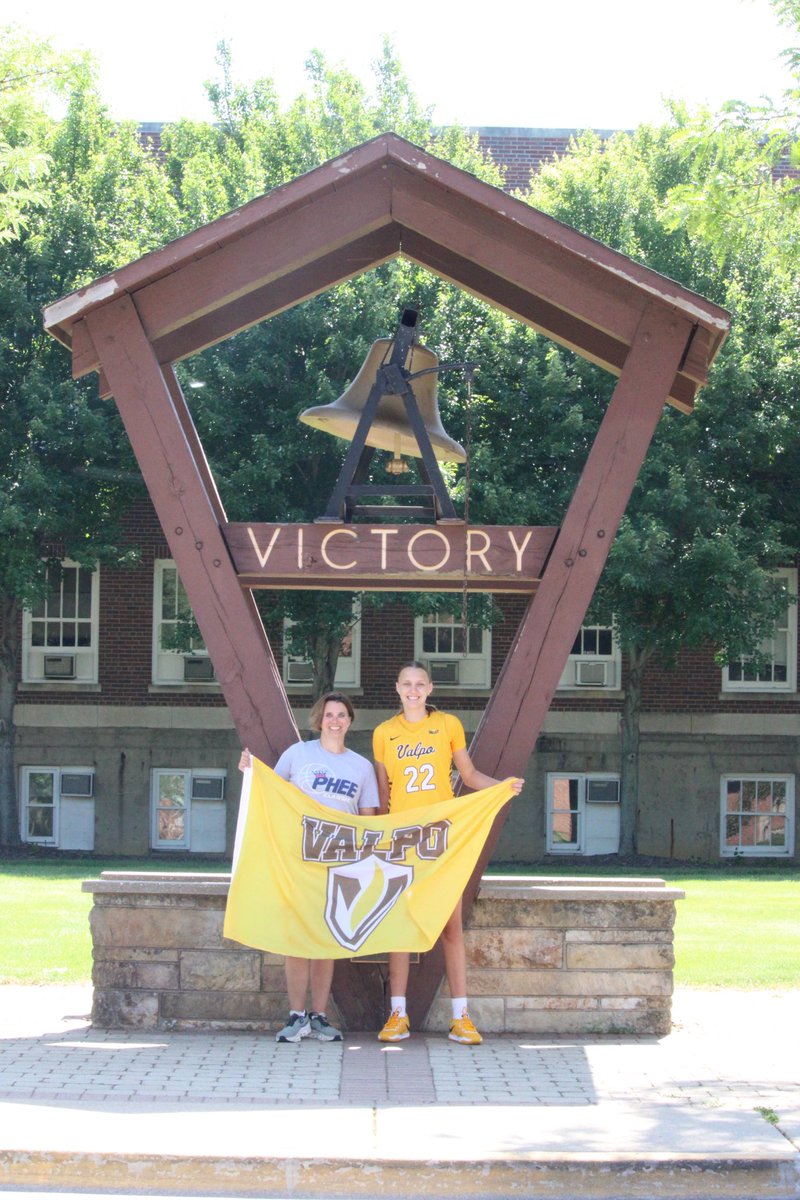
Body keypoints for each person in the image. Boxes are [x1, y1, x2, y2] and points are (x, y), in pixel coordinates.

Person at [372, 660, 523, 1046]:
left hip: (439, 838)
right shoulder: (384, 733)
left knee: (451, 927)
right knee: (400, 927)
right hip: (402, 839)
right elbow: (383, 793)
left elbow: (468, 776)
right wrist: (379, 838)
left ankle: (461, 1017)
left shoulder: (448, 725)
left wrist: (500, 787)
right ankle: (398, 1014)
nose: (413, 690)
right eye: (406, 683)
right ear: (397, 687)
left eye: (419, 683)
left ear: (430, 688)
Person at [239, 691, 378, 1044]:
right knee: (298, 939)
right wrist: (250, 771)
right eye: (329, 714)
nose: (335, 720)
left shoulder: (361, 767)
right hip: (299, 860)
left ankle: (319, 1016)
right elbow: (269, 790)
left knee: (327, 942)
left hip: (339, 864)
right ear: (320, 719)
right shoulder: (298, 754)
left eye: (341, 715)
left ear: (350, 721)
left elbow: (369, 822)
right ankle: (296, 1016)